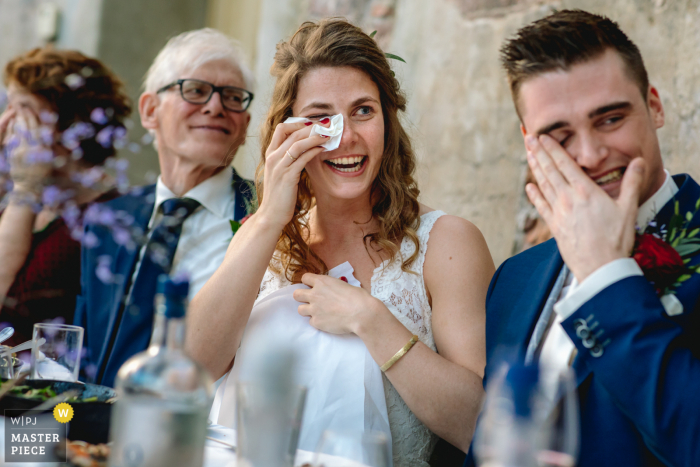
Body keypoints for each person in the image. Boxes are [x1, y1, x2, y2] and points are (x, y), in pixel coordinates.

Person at [187, 19, 494, 465]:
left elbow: (477, 426)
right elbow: (193, 372)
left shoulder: (447, 242)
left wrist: (371, 320)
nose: (346, 136)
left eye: (363, 111)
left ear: (387, 121)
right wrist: (272, 217)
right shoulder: (261, 239)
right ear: (287, 132)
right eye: (320, 118)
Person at [473, 10, 700, 467]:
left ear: (654, 106)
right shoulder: (513, 280)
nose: (592, 155)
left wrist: (605, 278)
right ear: (529, 144)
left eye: (610, 119)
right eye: (560, 135)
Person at [74, 28, 256, 387]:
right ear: (150, 111)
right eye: (196, 90)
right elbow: (83, 348)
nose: (216, 106)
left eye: (233, 97)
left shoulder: (269, 217)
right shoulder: (108, 221)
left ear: (245, 124)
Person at [0, 48, 130, 347]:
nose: (6, 122)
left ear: (67, 125)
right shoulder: (25, 202)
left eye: (21, 110)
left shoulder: (106, 221)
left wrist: (26, 187)